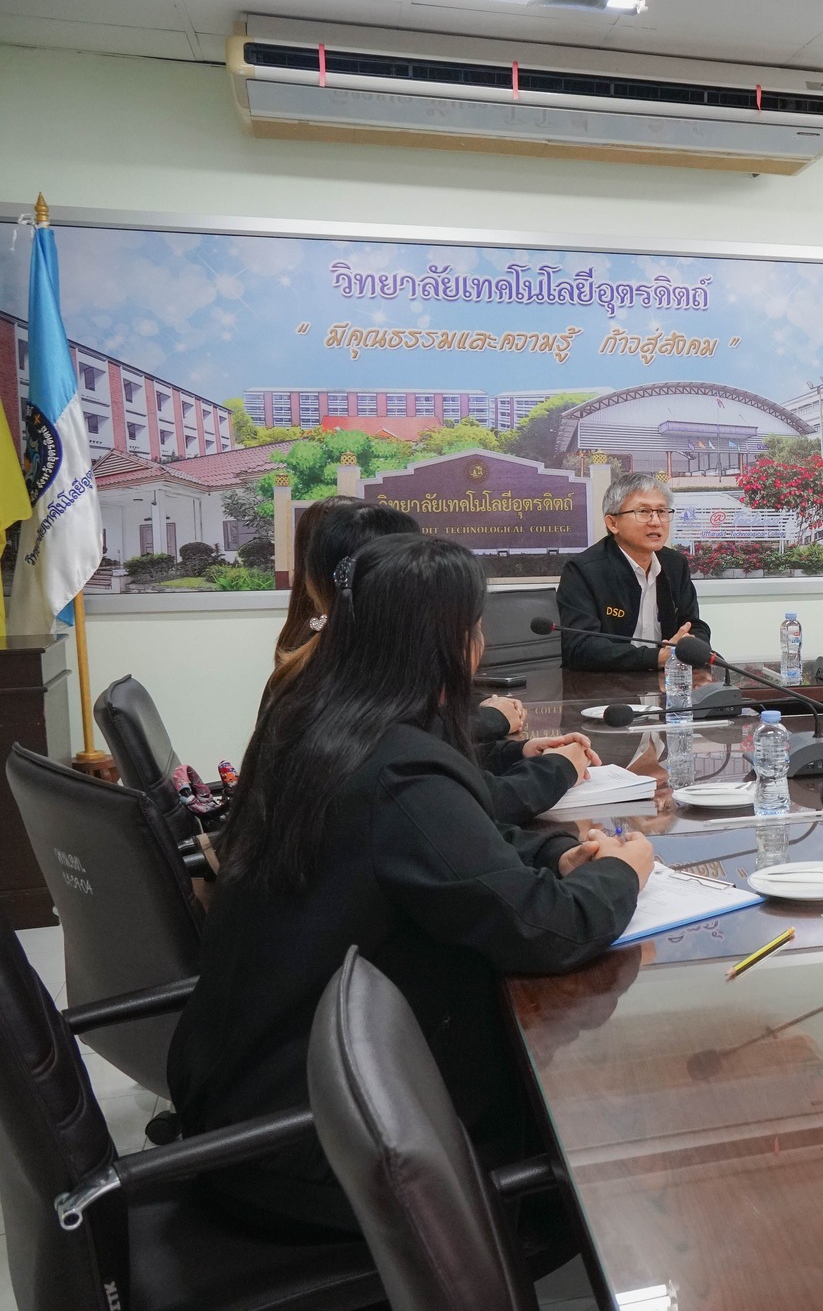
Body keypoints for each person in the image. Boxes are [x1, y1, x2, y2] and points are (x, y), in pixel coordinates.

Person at [168, 534, 653, 1237]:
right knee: (606, 1146)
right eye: (476, 628)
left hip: (258, 1092)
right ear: (446, 645)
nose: (482, 644)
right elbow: (546, 931)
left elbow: (462, 847)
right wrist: (622, 869)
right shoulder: (398, 771)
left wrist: (553, 853)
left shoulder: (321, 722)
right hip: (324, 1149)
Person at [268, 499, 583, 822]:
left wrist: (516, 753)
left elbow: (439, 753)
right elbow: (447, 795)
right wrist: (555, 769)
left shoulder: (344, 658)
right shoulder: (336, 677)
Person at [556, 471, 709, 671]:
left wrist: (689, 644)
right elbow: (581, 647)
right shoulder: (583, 571)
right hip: (604, 687)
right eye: (643, 512)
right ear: (613, 523)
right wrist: (656, 658)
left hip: (666, 682)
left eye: (662, 511)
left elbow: (694, 625)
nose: (656, 521)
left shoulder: (674, 564)